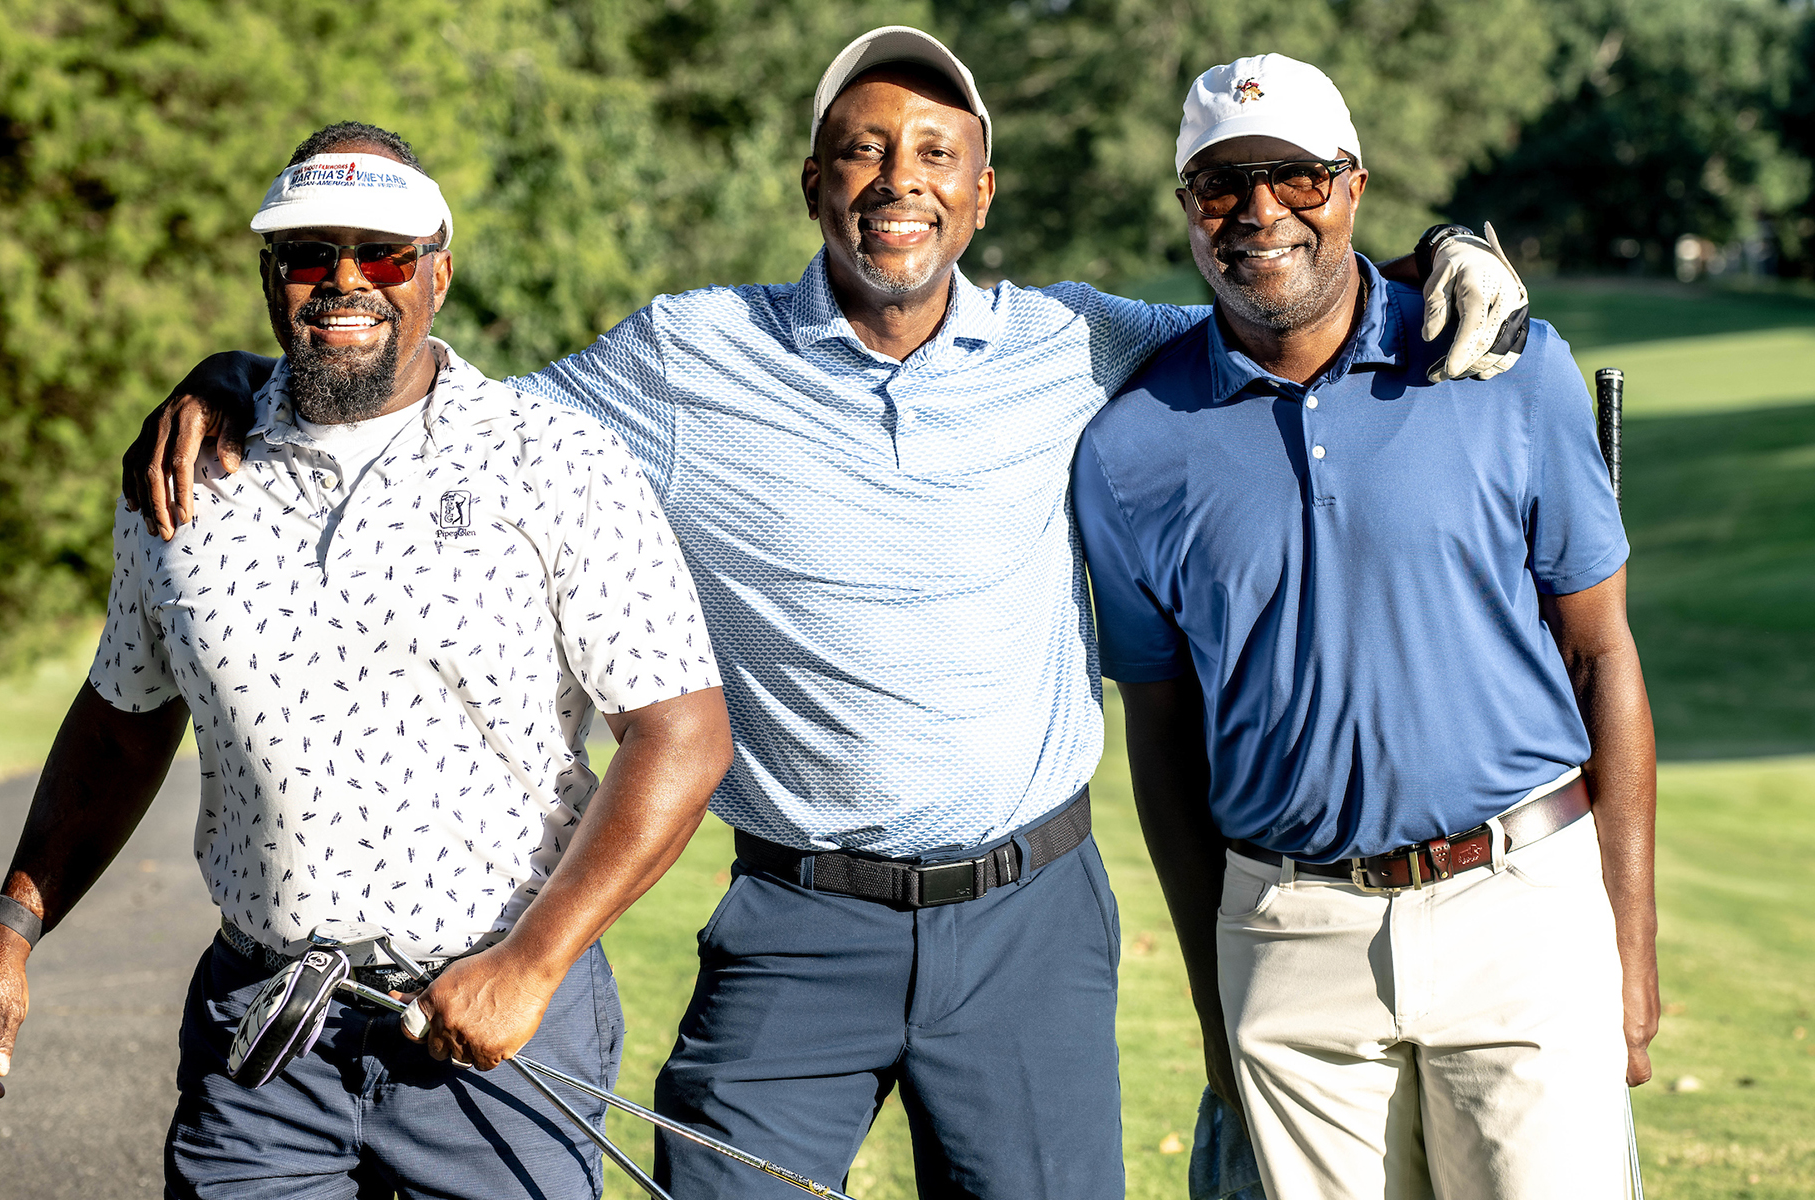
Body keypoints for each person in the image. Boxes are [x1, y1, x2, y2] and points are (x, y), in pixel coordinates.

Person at [122, 29, 1531, 1199]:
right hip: (797, 921)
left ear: (981, 194)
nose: (897, 181)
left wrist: (1433, 260)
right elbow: (435, 412)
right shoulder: (685, 355)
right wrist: (251, 375)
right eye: (861, 150)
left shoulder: (1076, 343)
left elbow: (1282, 294)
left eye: (935, 155)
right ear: (813, 183)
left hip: (1029, 919)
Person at [0, 123, 735, 1200]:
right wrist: (9, 936)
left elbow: (682, 735)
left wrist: (531, 964)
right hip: (262, 1041)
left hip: (494, 1030)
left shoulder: (555, 461)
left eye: (385, 254)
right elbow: (122, 723)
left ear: (438, 272)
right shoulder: (179, 477)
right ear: (272, 278)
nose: (346, 280)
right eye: (311, 254)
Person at [1072, 54, 1657, 1200]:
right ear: (1187, 205)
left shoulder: (1504, 364)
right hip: (1288, 932)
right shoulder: (1129, 445)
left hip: (1522, 905)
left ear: (1352, 185)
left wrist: (1629, 948)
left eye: (1296, 176)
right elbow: (1163, 736)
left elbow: (1602, 653)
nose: (1259, 211)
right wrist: (1215, 995)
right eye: (1221, 185)